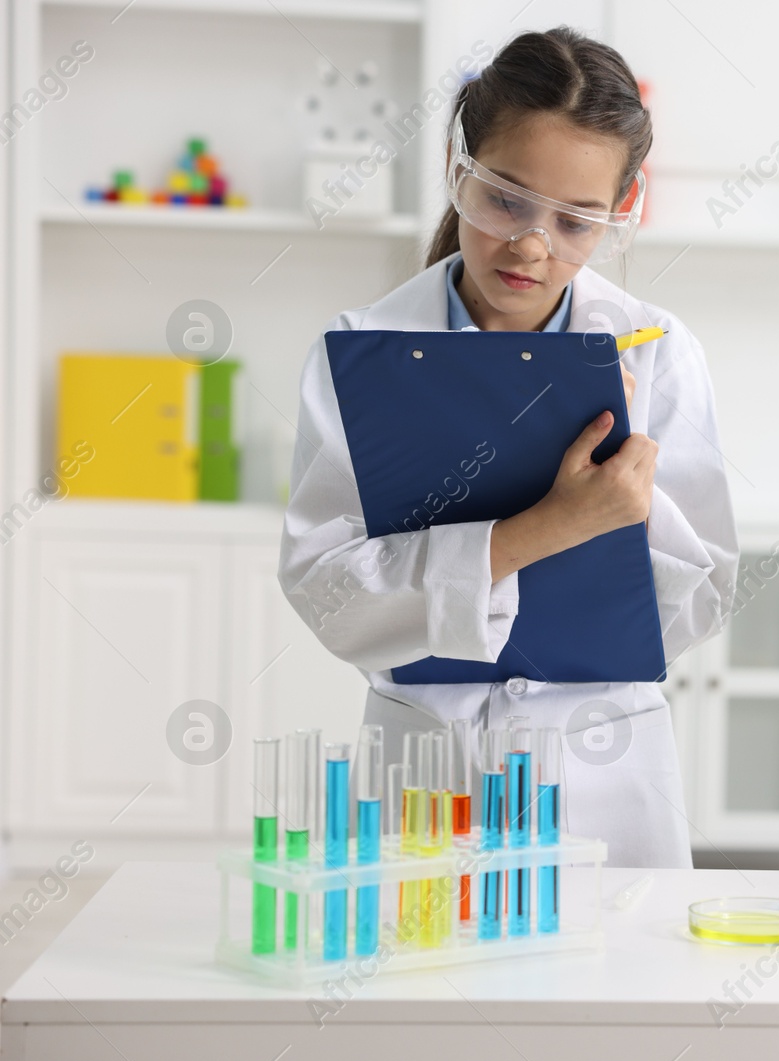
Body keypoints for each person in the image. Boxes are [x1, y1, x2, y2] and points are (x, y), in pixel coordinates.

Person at [279, 28, 736, 867]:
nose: (532, 244)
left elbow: (703, 600)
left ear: (620, 211)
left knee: (614, 991)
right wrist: (551, 525)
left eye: (576, 220)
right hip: (427, 768)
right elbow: (328, 597)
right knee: (425, 980)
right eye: (506, 199)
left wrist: (633, 492)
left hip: (604, 770)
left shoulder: (658, 351)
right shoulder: (362, 347)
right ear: (459, 169)